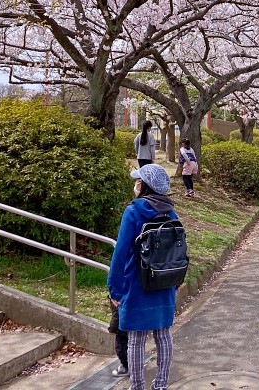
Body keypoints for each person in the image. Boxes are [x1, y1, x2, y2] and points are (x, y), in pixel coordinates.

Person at [107, 164, 178, 390]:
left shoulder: (133, 211)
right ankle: (160, 385)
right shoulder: (170, 211)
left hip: (137, 284)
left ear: (144, 185)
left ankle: (137, 386)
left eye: (138, 181)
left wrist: (114, 288)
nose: (136, 184)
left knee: (136, 339)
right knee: (163, 335)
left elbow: (121, 252)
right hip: (164, 282)